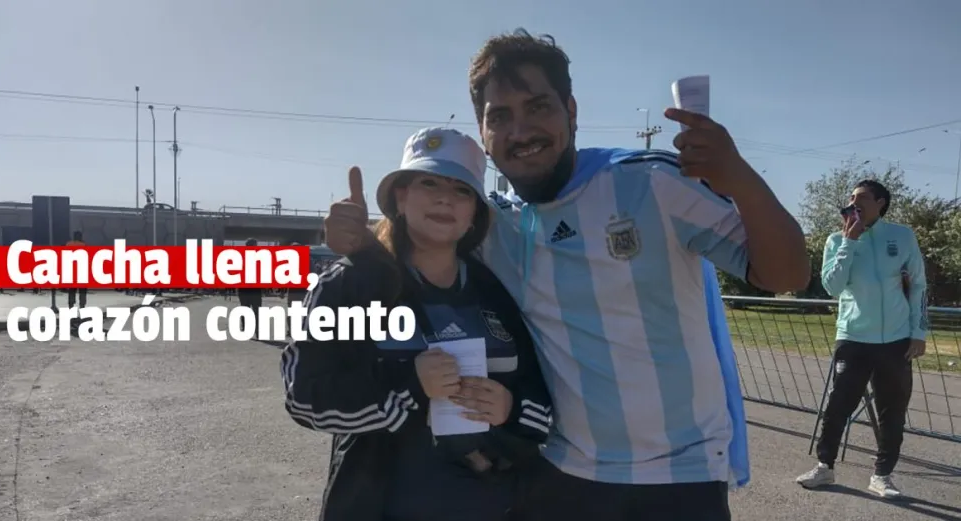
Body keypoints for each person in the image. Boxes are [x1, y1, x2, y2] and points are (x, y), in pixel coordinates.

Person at [325, 29, 810, 520]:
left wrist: (739, 177)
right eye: (501, 117)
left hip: (678, 477)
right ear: (483, 132)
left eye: (538, 107)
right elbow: (417, 248)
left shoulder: (652, 182)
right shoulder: (494, 226)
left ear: (571, 112)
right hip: (557, 475)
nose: (521, 131)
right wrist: (363, 245)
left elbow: (785, 273)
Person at [281, 128, 552, 521]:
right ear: (400, 197)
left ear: (474, 212)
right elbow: (304, 398)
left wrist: (509, 408)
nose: (445, 197)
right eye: (429, 182)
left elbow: (543, 399)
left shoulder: (497, 289)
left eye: (461, 190)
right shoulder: (349, 284)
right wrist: (410, 386)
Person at [796, 179, 927, 498]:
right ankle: (824, 467)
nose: (853, 202)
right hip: (853, 337)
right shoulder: (835, 240)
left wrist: (918, 331)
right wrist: (849, 242)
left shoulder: (902, 236)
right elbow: (832, 286)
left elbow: (919, 286)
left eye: (861, 198)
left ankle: (882, 475)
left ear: (880, 203)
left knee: (892, 410)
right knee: (838, 405)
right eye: (851, 197)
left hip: (895, 340)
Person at [237, 238, 263, 318]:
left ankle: (245, 328)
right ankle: (257, 329)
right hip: (254, 289)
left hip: (244, 289)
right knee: (256, 311)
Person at [66, 231, 88, 308]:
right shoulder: (83, 245)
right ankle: (82, 306)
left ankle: (71, 305)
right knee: (82, 291)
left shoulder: (68, 244)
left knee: (71, 290)